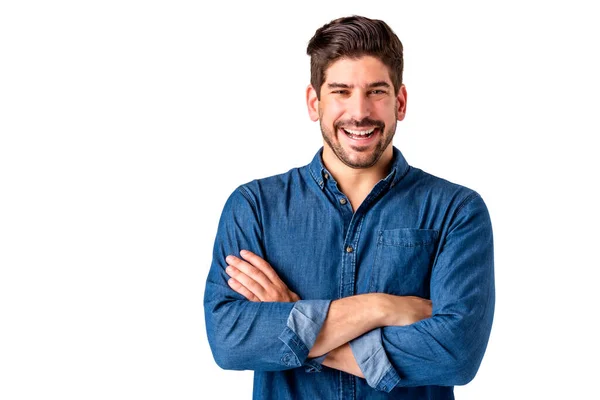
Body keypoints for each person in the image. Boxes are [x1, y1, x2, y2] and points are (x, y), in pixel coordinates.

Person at [203, 15, 495, 400]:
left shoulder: (456, 211)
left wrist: (293, 323)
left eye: (376, 91)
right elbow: (230, 339)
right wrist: (380, 308)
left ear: (400, 102)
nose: (359, 112)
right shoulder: (255, 207)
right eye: (341, 91)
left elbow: (456, 354)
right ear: (314, 102)